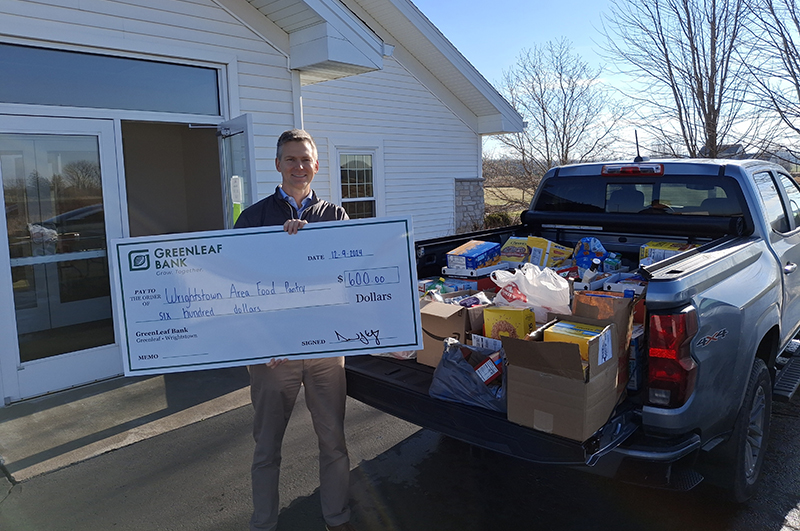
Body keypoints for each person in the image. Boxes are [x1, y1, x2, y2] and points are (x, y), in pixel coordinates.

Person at [234, 129, 356, 531]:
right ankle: (263, 524)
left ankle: (336, 520)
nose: (299, 167)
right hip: (274, 355)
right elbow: (238, 287)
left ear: (316, 165)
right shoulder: (253, 218)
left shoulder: (335, 217)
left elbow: (349, 276)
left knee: (333, 443)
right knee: (267, 448)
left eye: (306, 159)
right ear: (278, 165)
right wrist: (257, 343)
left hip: (324, 352)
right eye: (291, 159)